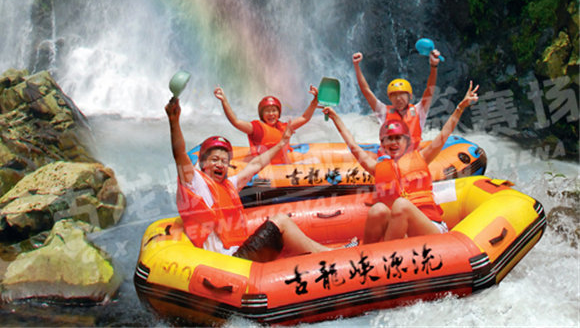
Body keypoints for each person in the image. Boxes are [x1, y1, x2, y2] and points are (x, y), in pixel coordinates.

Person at [165, 96, 331, 261]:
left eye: (224, 161)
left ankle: (323, 253)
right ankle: (329, 254)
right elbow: (179, 155)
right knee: (280, 220)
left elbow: (256, 164)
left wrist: (281, 144)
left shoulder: (229, 185)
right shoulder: (196, 183)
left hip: (238, 253)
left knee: (279, 229)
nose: (220, 165)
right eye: (214, 160)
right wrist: (174, 121)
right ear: (203, 163)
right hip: (227, 261)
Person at [325, 81, 479, 242]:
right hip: (401, 233)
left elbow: (444, 134)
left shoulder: (422, 157)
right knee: (377, 209)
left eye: (398, 138)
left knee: (401, 205)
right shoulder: (378, 167)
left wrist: (460, 108)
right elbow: (353, 145)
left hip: (431, 227)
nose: (393, 143)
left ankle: (386, 253)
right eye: (388, 139)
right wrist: (335, 118)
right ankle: (367, 255)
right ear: (382, 144)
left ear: (406, 141)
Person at [352, 48, 440, 148]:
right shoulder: (384, 111)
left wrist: (434, 66)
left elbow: (430, 89)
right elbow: (366, 91)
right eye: (394, 95)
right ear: (390, 98)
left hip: (412, 157)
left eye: (402, 94)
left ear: (410, 96)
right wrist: (356, 66)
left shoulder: (420, 111)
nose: (398, 99)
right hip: (391, 157)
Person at [213, 85, 319, 164]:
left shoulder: (284, 127)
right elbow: (236, 122)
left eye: (274, 110)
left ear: (279, 113)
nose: (271, 114)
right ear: (262, 114)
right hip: (266, 171)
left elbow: (305, 118)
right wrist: (224, 101)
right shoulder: (258, 129)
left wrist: (315, 102)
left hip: (283, 169)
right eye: (267, 111)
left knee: (315, 161)